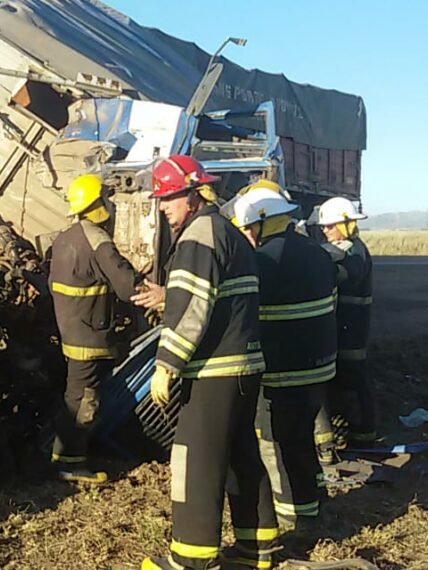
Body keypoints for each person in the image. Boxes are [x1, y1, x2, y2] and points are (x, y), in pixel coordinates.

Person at [134, 156, 278, 570]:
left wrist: (167, 363)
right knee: (239, 456)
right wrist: (169, 297)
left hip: (215, 371)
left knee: (195, 459)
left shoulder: (198, 235)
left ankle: (190, 560)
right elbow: (218, 299)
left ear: (194, 195)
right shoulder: (227, 232)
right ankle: (258, 547)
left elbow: (194, 305)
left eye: (170, 198)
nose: (164, 207)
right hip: (244, 368)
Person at [231, 185, 337, 545]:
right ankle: (316, 497)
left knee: (281, 441)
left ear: (262, 223)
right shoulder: (320, 254)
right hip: (320, 365)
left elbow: (245, 310)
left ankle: (298, 513)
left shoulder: (262, 261)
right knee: (304, 436)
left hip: (282, 368)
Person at [47, 174, 143, 483]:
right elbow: (127, 287)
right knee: (84, 400)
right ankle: (72, 463)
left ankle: (62, 454)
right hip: (91, 334)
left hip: (72, 330)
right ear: (98, 205)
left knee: (74, 393)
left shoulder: (64, 238)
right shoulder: (98, 241)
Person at [311, 197, 376, 452]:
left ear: (346, 224)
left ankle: (365, 439)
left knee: (354, 381)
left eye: (330, 226)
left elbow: (345, 275)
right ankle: (353, 434)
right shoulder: (343, 248)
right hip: (343, 327)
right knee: (342, 383)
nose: (325, 231)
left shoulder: (354, 251)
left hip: (352, 328)